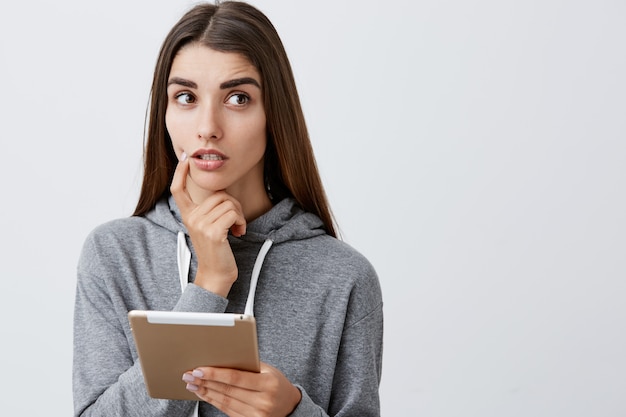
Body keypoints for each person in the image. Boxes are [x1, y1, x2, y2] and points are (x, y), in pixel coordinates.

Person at [72, 1, 383, 416]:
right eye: (186, 97)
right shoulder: (116, 253)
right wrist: (208, 287)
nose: (207, 126)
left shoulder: (343, 276)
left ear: (274, 113)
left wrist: (293, 411)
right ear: (163, 112)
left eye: (237, 98)